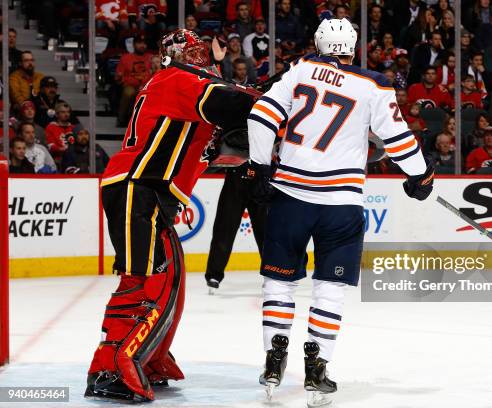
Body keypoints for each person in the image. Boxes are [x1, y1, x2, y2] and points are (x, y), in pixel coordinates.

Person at [246, 18, 433, 405]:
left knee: (279, 283)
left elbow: (261, 116)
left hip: (291, 196)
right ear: (352, 47)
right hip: (341, 204)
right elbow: (397, 138)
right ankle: (318, 367)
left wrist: (260, 167)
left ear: (317, 43)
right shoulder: (374, 84)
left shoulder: (299, 70)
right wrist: (421, 175)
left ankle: (273, 358)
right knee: (329, 290)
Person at [85, 29, 255, 403]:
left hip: (150, 192)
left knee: (170, 277)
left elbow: (213, 149)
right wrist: (269, 98)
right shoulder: (178, 80)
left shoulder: (177, 87)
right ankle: (110, 366)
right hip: (137, 187)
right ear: (180, 57)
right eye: (194, 53)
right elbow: (232, 103)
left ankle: (149, 355)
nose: (201, 59)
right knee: (143, 282)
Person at [204, 160, 267, 292]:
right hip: (236, 173)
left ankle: (271, 274)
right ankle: (214, 275)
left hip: (261, 177)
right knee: (225, 227)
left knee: (266, 232)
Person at [115, 33, 153, 126]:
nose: (142, 45)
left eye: (144, 43)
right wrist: (122, 79)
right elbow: (118, 76)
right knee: (129, 92)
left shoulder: (151, 58)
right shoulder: (126, 58)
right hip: (130, 85)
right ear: (134, 44)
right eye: (139, 43)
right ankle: (121, 119)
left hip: (148, 87)